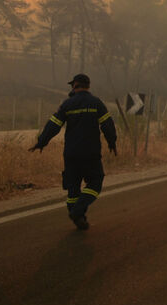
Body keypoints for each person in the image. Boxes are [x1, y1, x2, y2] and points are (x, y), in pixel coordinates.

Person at [29, 74, 117, 230]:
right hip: (91, 153)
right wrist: (112, 142)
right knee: (95, 182)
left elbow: (53, 125)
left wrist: (41, 142)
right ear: (88, 86)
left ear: (76, 85)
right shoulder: (96, 103)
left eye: (72, 86)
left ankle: (78, 216)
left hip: (71, 154)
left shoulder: (67, 104)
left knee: (73, 188)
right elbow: (108, 125)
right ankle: (78, 212)